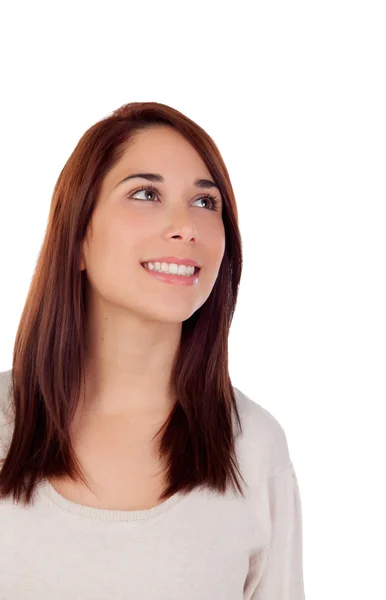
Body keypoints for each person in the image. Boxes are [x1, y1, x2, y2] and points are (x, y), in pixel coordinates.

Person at [0, 102, 305, 599]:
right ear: (78, 235)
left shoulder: (253, 448)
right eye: (146, 193)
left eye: (206, 203)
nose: (186, 226)